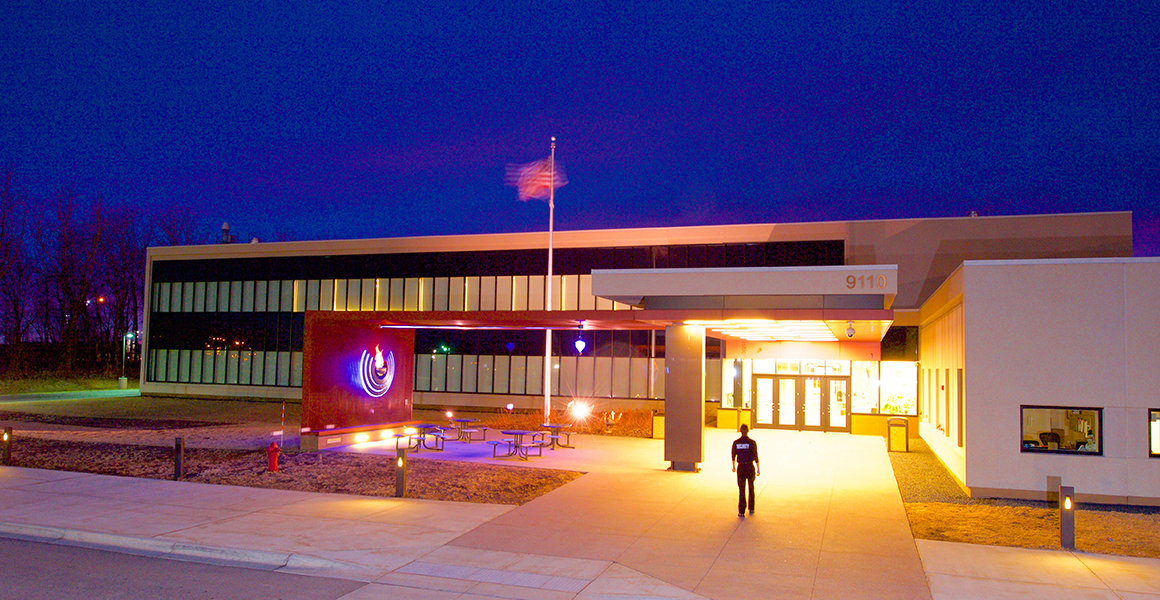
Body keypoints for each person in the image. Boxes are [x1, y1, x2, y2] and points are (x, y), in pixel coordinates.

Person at [731, 424, 760, 517]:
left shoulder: (736, 443)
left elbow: (733, 456)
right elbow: (756, 456)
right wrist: (758, 468)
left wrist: (734, 467)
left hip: (741, 468)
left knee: (741, 489)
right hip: (750, 467)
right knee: (751, 487)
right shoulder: (752, 442)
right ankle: (751, 508)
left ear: (740, 431)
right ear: (748, 431)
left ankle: (741, 511)